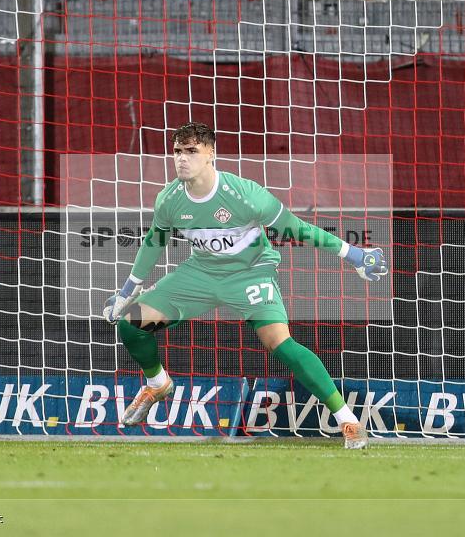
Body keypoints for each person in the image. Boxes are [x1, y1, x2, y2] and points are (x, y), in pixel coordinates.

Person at [103, 122, 388, 448]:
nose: (182, 159)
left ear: (211, 154)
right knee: (130, 325)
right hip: (200, 273)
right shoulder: (169, 199)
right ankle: (157, 384)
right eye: (178, 151)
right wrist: (127, 292)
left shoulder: (246, 195)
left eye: (191, 151)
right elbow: (155, 241)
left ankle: (348, 421)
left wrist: (352, 253)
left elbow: (297, 228)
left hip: (251, 273)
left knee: (279, 343)